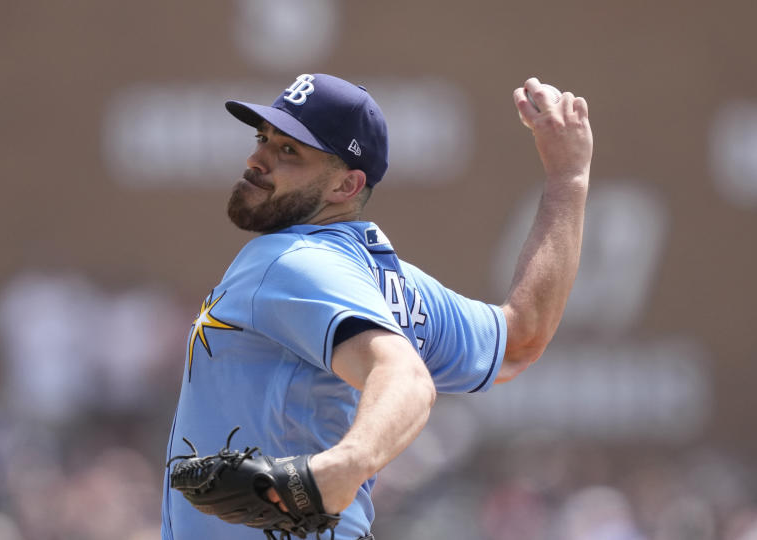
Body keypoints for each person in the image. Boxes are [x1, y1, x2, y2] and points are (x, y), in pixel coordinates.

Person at [161, 73, 593, 540]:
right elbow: (520, 339)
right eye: (264, 138)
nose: (256, 158)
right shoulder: (388, 283)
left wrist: (335, 473)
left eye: (290, 151)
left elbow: (405, 379)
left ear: (346, 186)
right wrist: (568, 179)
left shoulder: (288, 261)